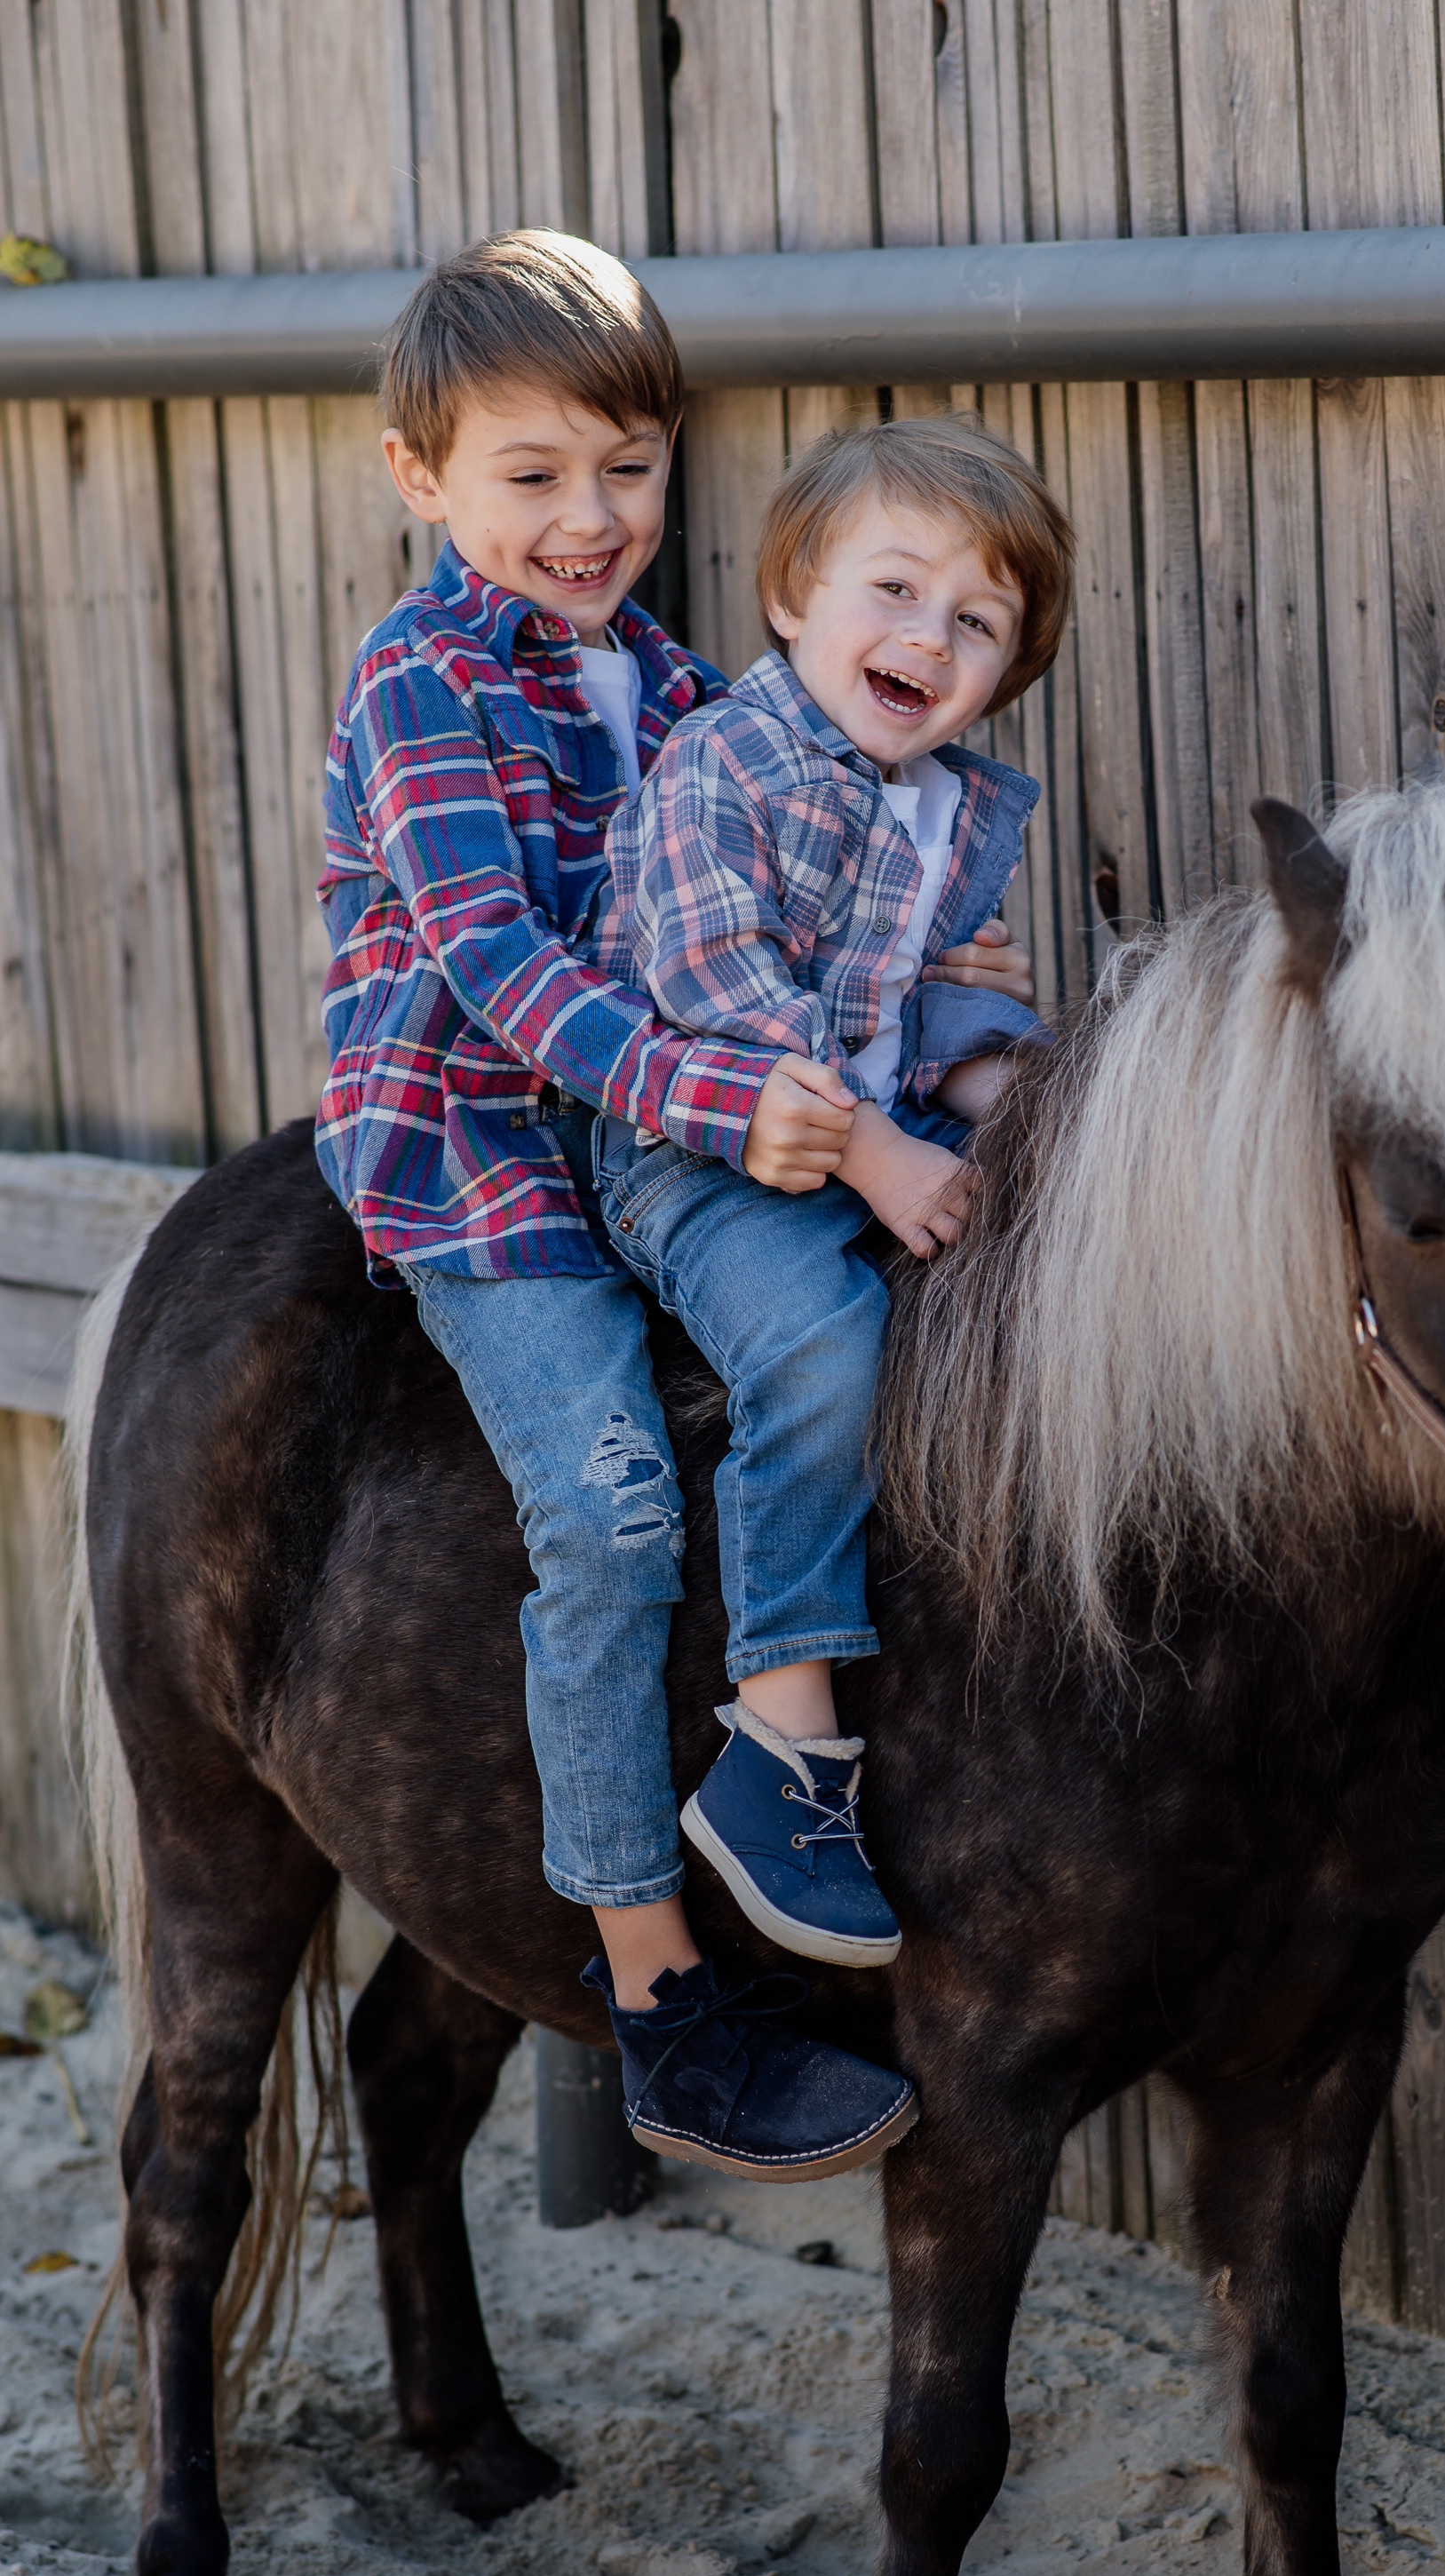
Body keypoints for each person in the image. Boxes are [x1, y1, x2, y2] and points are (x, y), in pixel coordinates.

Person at [316, 233, 1019, 2180]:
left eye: (624, 468)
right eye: (530, 476)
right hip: (479, 1163)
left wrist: (958, 1051)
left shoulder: (695, 685)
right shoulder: (418, 689)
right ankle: (657, 1992)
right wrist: (749, 1105)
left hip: (671, 1149)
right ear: (422, 478)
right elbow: (505, 978)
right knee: (615, 1507)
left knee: (880, 1370)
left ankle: (805, 1752)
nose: (588, 516)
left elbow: (802, 935)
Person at [583, 416, 1076, 2130]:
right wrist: (876, 1148)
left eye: (979, 625)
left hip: (854, 1125)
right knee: (820, 1347)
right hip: (697, 1148)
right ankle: (781, 1741)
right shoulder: (726, 767)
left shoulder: (938, 813)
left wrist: (1008, 1095)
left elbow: (934, 1004)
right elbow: (709, 979)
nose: (929, 641)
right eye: (893, 590)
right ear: (795, 598)